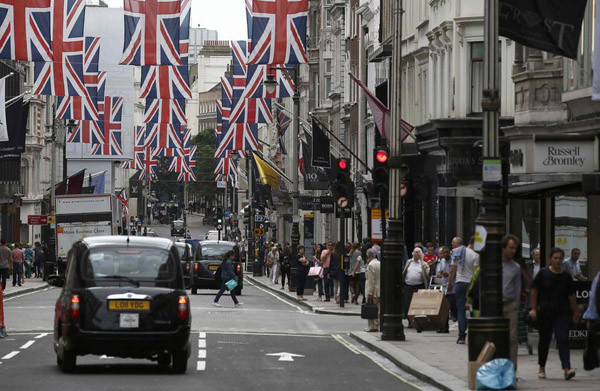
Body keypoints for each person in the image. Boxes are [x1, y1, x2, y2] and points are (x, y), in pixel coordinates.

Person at [530, 247, 579, 380]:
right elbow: (534, 291)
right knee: (544, 340)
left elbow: (571, 296)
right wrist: (533, 308)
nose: (558, 261)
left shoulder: (566, 277)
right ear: (551, 259)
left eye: (560, 258)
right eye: (555, 258)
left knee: (562, 338)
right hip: (545, 312)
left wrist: (575, 311)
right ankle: (542, 367)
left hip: (562, 312)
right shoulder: (543, 274)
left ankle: (567, 368)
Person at [448, 236, 480, 344]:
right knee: (473, 309)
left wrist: (449, 283)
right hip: (470, 284)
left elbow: (452, 270)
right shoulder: (476, 255)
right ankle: (475, 334)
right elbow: (476, 273)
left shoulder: (457, 252)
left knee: (461, 310)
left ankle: (461, 336)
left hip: (459, 283)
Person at [501, 234, 522, 370]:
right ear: (503, 248)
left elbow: (517, 289)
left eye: (515, 248)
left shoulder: (516, 267)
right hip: (494, 305)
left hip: (510, 305)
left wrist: (516, 306)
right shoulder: (493, 264)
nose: (513, 251)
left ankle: (512, 369)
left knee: (512, 338)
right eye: (510, 248)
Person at [402, 247, 430, 325]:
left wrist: (427, 269)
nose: (416, 254)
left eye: (418, 252)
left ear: (421, 254)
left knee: (417, 305)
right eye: (415, 252)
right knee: (408, 304)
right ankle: (410, 321)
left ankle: (417, 322)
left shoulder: (423, 264)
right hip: (408, 286)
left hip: (419, 286)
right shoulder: (408, 262)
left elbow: (427, 274)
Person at [365, 248, 381, 332]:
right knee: (378, 309)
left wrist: (369, 293)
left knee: (371, 309)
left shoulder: (371, 265)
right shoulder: (379, 263)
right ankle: (377, 325)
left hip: (373, 290)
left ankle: (372, 326)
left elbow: (371, 280)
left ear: (368, 256)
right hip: (380, 290)